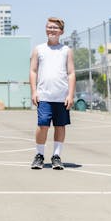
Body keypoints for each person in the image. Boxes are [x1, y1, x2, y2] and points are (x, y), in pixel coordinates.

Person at [29, 17, 75, 171]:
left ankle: (56, 156)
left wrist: (70, 94)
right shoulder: (39, 49)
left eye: (55, 28)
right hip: (44, 96)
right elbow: (33, 71)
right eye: (49, 27)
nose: (51, 30)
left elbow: (71, 73)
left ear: (61, 31)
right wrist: (34, 91)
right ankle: (39, 155)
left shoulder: (66, 50)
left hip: (61, 96)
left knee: (60, 126)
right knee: (43, 125)